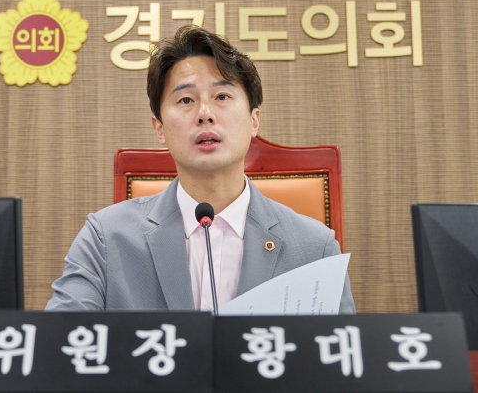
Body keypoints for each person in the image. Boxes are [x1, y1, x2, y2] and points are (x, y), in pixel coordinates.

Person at [46, 26, 355, 313]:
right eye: (185, 99)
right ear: (159, 128)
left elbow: (340, 351)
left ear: (254, 120)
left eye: (222, 96)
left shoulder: (315, 248)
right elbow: (59, 341)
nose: (205, 114)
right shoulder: (106, 238)